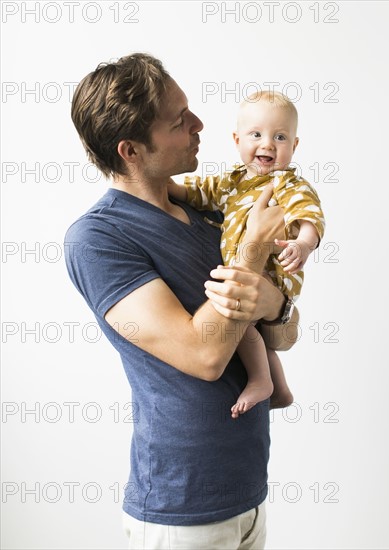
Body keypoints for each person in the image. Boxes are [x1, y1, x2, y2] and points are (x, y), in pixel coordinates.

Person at [64, 52, 298, 550]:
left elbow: (284, 333)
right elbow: (204, 355)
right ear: (130, 150)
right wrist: (254, 248)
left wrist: (275, 302)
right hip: (182, 511)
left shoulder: (210, 217)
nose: (199, 125)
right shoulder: (98, 239)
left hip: (249, 492)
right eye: (179, 121)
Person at [168, 91, 325, 418]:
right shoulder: (232, 181)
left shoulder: (287, 183)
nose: (267, 144)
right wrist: (166, 186)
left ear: (294, 147)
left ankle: (261, 381)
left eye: (280, 137)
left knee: (240, 319)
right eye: (256, 135)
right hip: (248, 267)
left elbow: (309, 216)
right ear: (237, 140)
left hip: (274, 267)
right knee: (248, 329)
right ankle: (277, 387)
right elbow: (197, 192)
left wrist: (304, 244)